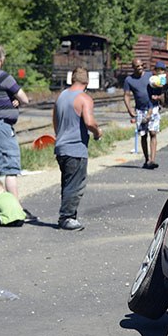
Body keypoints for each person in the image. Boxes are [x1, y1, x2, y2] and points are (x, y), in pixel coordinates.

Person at [53, 67, 102, 231]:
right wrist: (97, 132)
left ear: (71, 80)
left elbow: (54, 120)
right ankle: (67, 217)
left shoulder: (61, 96)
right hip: (75, 148)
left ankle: (67, 216)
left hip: (61, 147)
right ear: (87, 82)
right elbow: (89, 122)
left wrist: (60, 136)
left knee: (67, 184)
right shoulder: (84, 98)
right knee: (75, 185)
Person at [0, 43, 29, 205]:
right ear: (2, 59)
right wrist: (14, 100)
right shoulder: (2, 76)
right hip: (1, 127)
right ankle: (16, 208)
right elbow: (24, 99)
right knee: (10, 169)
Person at [123, 58, 164, 169]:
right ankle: (146, 159)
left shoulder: (150, 76)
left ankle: (152, 160)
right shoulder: (129, 80)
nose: (140, 68)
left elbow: (162, 86)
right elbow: (126, 95)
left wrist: (159, 96)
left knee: (153, 133)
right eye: (137, 66)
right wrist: (129, 109)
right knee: (143, 134)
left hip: (153, 108)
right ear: (133, 67)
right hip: (140, 110)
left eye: (142, 65)